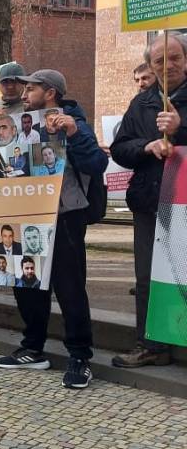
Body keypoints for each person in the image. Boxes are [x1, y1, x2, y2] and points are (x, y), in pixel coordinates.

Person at [0, 69, 108, 390]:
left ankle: (80, 357)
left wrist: (73, 133)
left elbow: (97, 164)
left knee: (69, 287)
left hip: (64, 217)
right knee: (27, 282)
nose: (24, 94)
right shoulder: (22, 124)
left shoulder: (75, 122)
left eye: (31, 89)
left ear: (51, 92)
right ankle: (32, 348)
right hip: (26, 216)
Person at [110, 32, 186, 368]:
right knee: (147, 278)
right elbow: (120, 149)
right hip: (150, 202)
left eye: (175, 58)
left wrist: (180, 130)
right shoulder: (140, 103)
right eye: (160, 61)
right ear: (151, 67)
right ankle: (151, 345)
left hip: (184, 204)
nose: (168, 66)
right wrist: (147, 146)